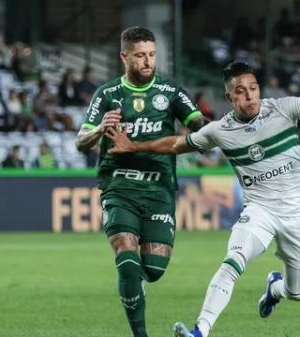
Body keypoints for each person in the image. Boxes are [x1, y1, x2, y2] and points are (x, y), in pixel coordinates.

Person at [105, 61, 300, 337]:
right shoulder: (219, 130)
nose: (249, 95)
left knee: (297, 292)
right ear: (229, 97)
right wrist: (132, 146)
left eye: (253, 88)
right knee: (233, 260)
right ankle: (200, 331)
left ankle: (274, 289)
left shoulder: (282, 108)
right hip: (261, 211)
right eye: (240, 91)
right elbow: (176, 144)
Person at [74, 26, 208, 337]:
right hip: (119, 187)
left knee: (153, 271)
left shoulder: (171, 92)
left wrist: (203, 131)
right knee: (125, 251)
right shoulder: (107, 95)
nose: (147, 62)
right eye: (140, 56)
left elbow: (201, 128)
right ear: (124, 57)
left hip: (159, 188)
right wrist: (98, 130)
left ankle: (136, 287)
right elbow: (81, 141)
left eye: (151, 55)